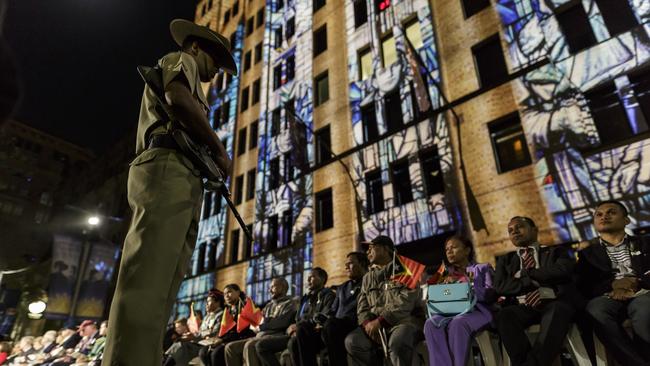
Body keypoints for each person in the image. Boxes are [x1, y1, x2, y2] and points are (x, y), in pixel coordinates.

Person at [103, 18, 235, 366]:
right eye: (214, 60)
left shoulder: (195, 76)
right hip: (167, 168)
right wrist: (220, 150)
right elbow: (177, 98)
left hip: (183, 174)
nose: (216, 71)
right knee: (146, 281)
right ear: (194, 47)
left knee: (162, 287)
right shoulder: (182, 60)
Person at [495, 216, 580, 366]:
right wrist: (531, 281)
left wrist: (526, 274)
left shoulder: (556, 251)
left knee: (557, 309)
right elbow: (501, 286)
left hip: (552, 301)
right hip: (523, 307)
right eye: (510, 230)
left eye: (519, 227)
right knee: (505, 315)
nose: (514, 232)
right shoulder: (505, 260)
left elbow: (562, 270)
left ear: (534, 230)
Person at [576, 200, 650, 365]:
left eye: (611, 212)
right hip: (608, 296)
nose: (604, 217)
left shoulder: (646, 243)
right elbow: (584, 285)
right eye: (599, 215)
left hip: (643, 292)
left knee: (644, 309)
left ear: (626, 220)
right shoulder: (587, 254)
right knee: (595, 310)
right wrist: (613, 285)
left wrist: (635, 281)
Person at [344, 235, 422, 366]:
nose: (367, 252)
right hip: (375, 325)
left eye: (371, 248)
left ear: (386, 249)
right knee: (352, 341)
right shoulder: (368, 277)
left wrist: (381, 321)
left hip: (405, 322)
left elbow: (406, 302)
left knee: (398, 342)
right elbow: (362, 306)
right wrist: (367, 324)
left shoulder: (406, 267)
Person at [423, 235, 496, 366]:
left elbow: (490, 295)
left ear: (467, 250)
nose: (449, 251)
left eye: (454, 247)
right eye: (447, 249)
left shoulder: (483, 268)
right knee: (431, 323)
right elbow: (440, 300)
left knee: (458, 323)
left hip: (478, 311)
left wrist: (464, 287)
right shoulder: (444, 275)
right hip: (450, 314)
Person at [291, 252, 369, 366]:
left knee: (331, 325)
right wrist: (321, 320)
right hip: (333, 327)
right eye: (345, 264)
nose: (346, 267)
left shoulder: (369, 281)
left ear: (362, 264)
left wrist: (329, 321)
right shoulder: (343, 287)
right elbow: (332, 311)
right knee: (302, 329)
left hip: (353, 323)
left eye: (350, 263)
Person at [256, 268, 335, 366]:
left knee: (293, 343)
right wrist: (292, 327)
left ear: (322, 279)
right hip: (295, 333)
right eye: (308, 277)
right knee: (261, 346)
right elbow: (297, 319)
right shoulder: (305, 298)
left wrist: (300, 326)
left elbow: (324, 317)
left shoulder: (328, 295)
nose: (308, 280)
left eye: (312, 277)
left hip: (313, 333)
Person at [224, 277, 296, 366]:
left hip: (276, 335)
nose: (270, 290)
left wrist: (264, 324)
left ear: (282, 287)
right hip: (259, 335)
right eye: (270, 287)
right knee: (230, 348)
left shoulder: (290, 303)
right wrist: (257, 323)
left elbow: (282, 322)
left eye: (273, 287)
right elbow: (258, 322)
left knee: (250, 345)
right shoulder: (268, 305)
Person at [165, 289, 225, 366]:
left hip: (209, 344)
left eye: (209, 301)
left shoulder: (221, 315)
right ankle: (165, 361)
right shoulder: (207, 317)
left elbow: (215, 332)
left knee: (181, 347)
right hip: (199, 343)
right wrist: (190, 335)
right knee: (179, 343)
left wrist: (194, 336)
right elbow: (200, 332)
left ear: (218, 302)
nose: (206, 304)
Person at [200, 284, 254, 366]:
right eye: (224, 294)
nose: (226, 296)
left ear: (238, 292)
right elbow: (224, 329)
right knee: (203, 352)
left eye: (229, 292)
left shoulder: (244, 306)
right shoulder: (227, 310)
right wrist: (218, 339)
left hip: (242, 336)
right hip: (228, 338)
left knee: (216, 354)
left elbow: (242, 329)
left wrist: (222, 340)